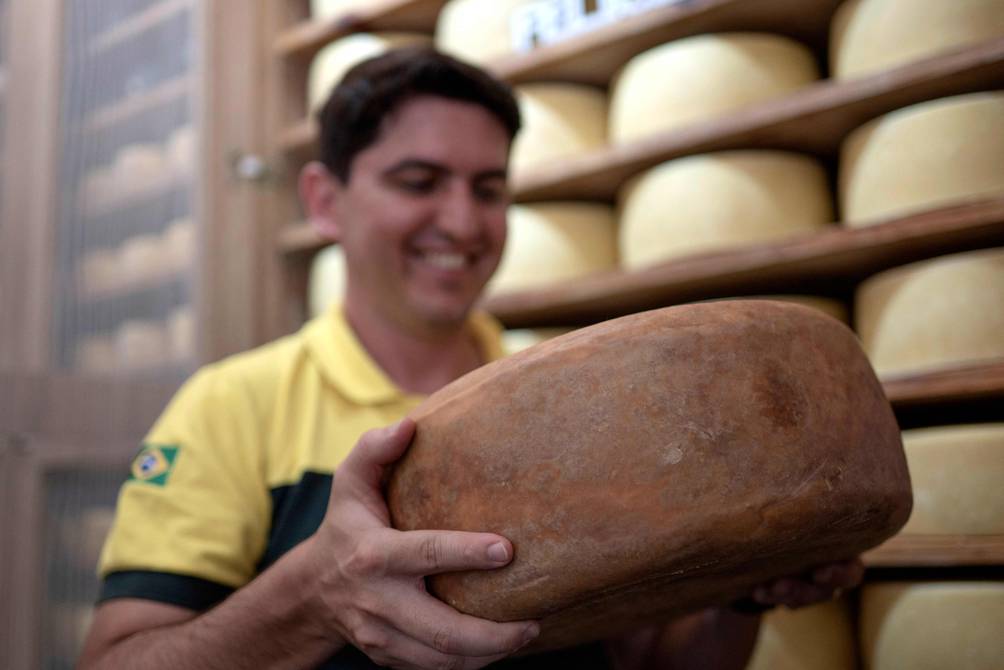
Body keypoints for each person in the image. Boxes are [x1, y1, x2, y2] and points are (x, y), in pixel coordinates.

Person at [78, 48, 863, 670]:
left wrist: (738, 596)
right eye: (419, 182)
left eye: (488, 190)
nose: (460, 222)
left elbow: (642, 659)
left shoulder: (581, 400)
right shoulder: (230, 406)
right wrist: (316, 593)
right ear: (323, 201)